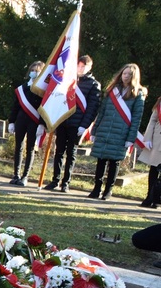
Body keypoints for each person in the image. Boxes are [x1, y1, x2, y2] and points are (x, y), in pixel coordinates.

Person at [87, 64, 146, 201]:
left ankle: (108, 190)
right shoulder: (112, 90)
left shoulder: (138, 95)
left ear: (133, 77)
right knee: (101, 160)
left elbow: (136, 119)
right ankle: (96, 188)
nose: (125, 76)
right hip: (104, 130)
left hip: (121, 133)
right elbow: (102, 112)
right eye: (124, 73)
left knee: (114, 162)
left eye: (128, 74)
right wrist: (94, 130)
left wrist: (130, 139)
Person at [44, 55, 101, 193]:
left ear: (89, 67)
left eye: (83, 66)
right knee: (59, 152)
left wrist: (84, 125)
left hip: (78, 123)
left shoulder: (94, 85)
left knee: (71, 153)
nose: (80, 68)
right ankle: (55, 180)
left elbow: (93, 108)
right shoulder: (68, 79)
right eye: (79, 65)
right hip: (63, 120)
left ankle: (66, 182)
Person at [7, 61, 46, 186]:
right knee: (18, 147)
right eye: (32, 70)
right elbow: (16, 106)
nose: (34, 73)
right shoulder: (23, 87)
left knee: (30, 148)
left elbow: (44, 108)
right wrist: (11, 121)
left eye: (37, 71)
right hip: (21, 120)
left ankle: (25, 176)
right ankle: (16, 174)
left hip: (34, 122)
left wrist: (42, 123)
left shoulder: (43, 89)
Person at [138, 96, 161, 208]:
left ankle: (157, 198)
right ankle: (149, 197)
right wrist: (147, 138)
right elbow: (152, 120)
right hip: (158, 140)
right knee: (154, 170)